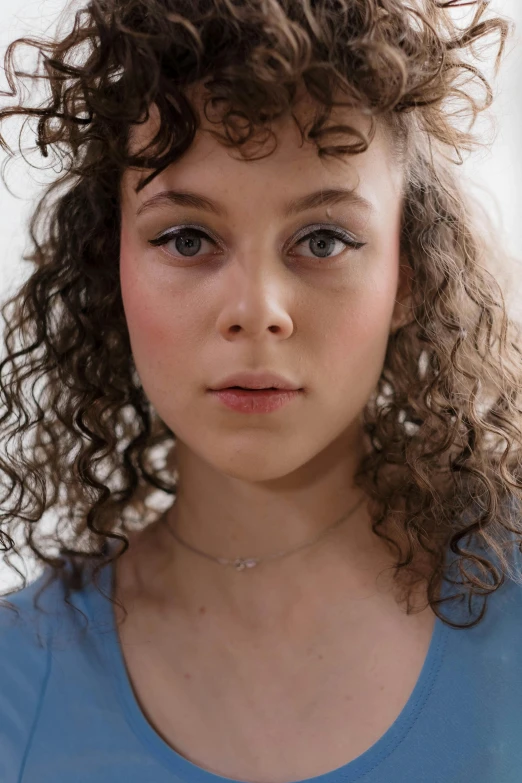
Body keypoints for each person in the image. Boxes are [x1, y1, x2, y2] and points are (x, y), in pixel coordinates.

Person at [0, 0, 521, 781]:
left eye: (322, 239)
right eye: (186, 239)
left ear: (406, 274)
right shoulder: (16, 680)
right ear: (112, 265)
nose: (256, 311)